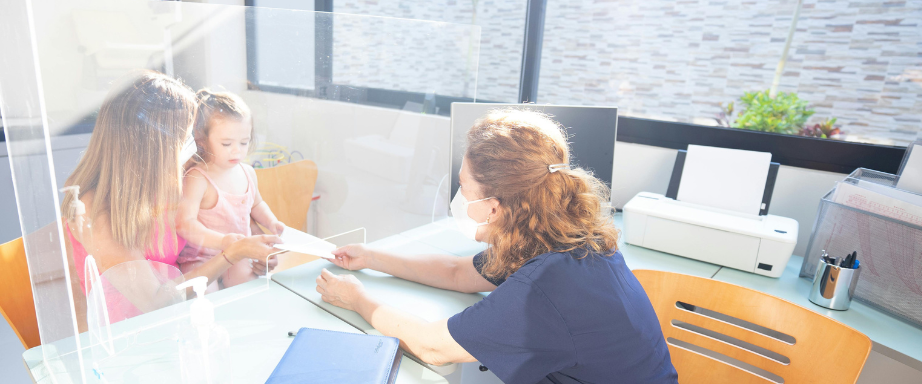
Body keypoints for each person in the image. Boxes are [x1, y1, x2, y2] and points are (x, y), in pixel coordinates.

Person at [315, 109, 678, 383]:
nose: (458, 198)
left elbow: (431, 346)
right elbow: (457, 273)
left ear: (494, 206)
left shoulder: (547, 287)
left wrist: (356, 299)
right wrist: (373, 257)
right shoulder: (556, 237)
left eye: (464, 187)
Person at [61, 71, 280, 323]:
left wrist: (253, 253)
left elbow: (220, 223)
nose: (194, 144)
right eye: (185, 135)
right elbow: (155, 301)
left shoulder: (166, 180)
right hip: (132, 334)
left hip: (182, 315)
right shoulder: (93, 207)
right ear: (153, 142)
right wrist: (232, 254)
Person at [176, 89, 285, 291]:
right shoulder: (198, 177)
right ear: (202, 140)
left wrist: (271, 222)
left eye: (244, 142)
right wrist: (223, 241)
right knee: (204, 294)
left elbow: (257, 205)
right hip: (201, 258)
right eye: (227, 143)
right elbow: (184, 224)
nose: (237, 150)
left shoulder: (248, 173)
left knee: (247, 289)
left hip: (239, 254)